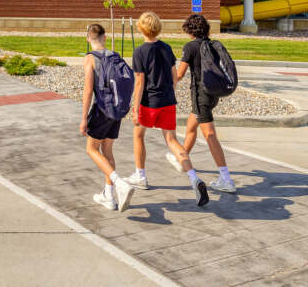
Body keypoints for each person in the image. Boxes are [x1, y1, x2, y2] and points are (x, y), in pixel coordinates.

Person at [129, 12, 209, 207]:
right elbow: (174, 76)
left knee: (138, 135)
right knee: (172, 140)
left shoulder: (140, 52)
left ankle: (140, 175)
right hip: (167, 101)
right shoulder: (166, 48)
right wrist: (169, 93)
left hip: (149, 103)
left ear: (141, 28)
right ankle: (193, 178)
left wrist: (134, 107)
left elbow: (139, 83)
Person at [174, 13, 236, 193]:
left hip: (201, 95)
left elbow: (179, 74)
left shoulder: (191, 46)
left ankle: (226, 179)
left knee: (209, 135)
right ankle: (182, 158)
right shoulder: (212, 44)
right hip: (213, 93)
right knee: (191, 127)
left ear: (190, 30)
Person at [79, 23, 135, 212]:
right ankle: (108, 196)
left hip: (102, 109)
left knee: (91, 149)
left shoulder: (90, 58)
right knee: (107, 151)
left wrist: (84, 118)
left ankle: (120, 184)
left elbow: (88, 91)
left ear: (88, 39)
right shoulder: (114, 56)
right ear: (104, 38)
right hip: (116, 110)